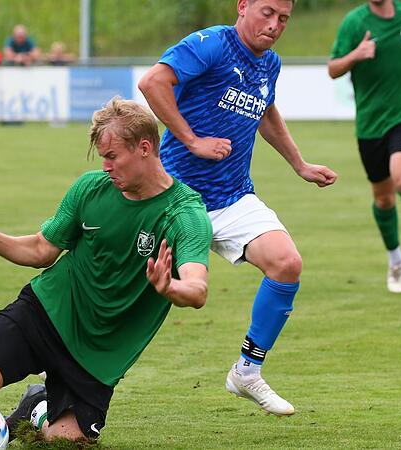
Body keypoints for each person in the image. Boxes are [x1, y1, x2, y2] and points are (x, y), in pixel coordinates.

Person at [0, 98, 212, 449]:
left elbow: (197, 288)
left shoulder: (184, 214)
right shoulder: (90, 189)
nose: (106, 166)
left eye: (112, 156)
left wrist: (169, 287)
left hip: (99, 356)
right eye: (102, 158)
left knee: (63, 443)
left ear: (145, 148)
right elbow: (41, 250)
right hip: (46, 311)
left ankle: (37, 407)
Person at [138, 0, 337, 416]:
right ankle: (60, 375)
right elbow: (153, 82)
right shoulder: (212, 44)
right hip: (176, 199)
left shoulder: (270, 64)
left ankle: (246, 371)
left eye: (283, 18)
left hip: (232, 197)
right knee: (130, 295)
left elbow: (265, 111)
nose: (275, 24)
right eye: (267, 12)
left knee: (287, 263)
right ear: (242, 6)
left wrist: (299, 164)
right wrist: (192, 140)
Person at [328, 0, 401, 293]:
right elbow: (333, 69)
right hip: (370, 125)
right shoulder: (354, 23)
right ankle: (395, 260)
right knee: (383, 199)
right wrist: (356, 55)